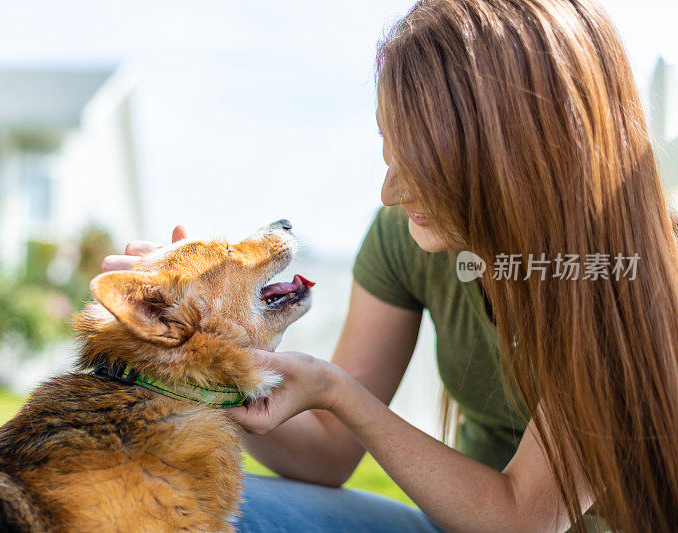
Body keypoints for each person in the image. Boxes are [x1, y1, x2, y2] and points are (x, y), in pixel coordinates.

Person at [102, 0, 678, 530]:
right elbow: (328, 454)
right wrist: (208, 360)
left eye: (424, 160)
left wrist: (338, 389)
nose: (389, 191)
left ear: (512, 155)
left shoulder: (625, 275)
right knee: (178, 506)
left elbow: (521, 520)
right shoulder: (412, 236)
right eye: (389, 141)